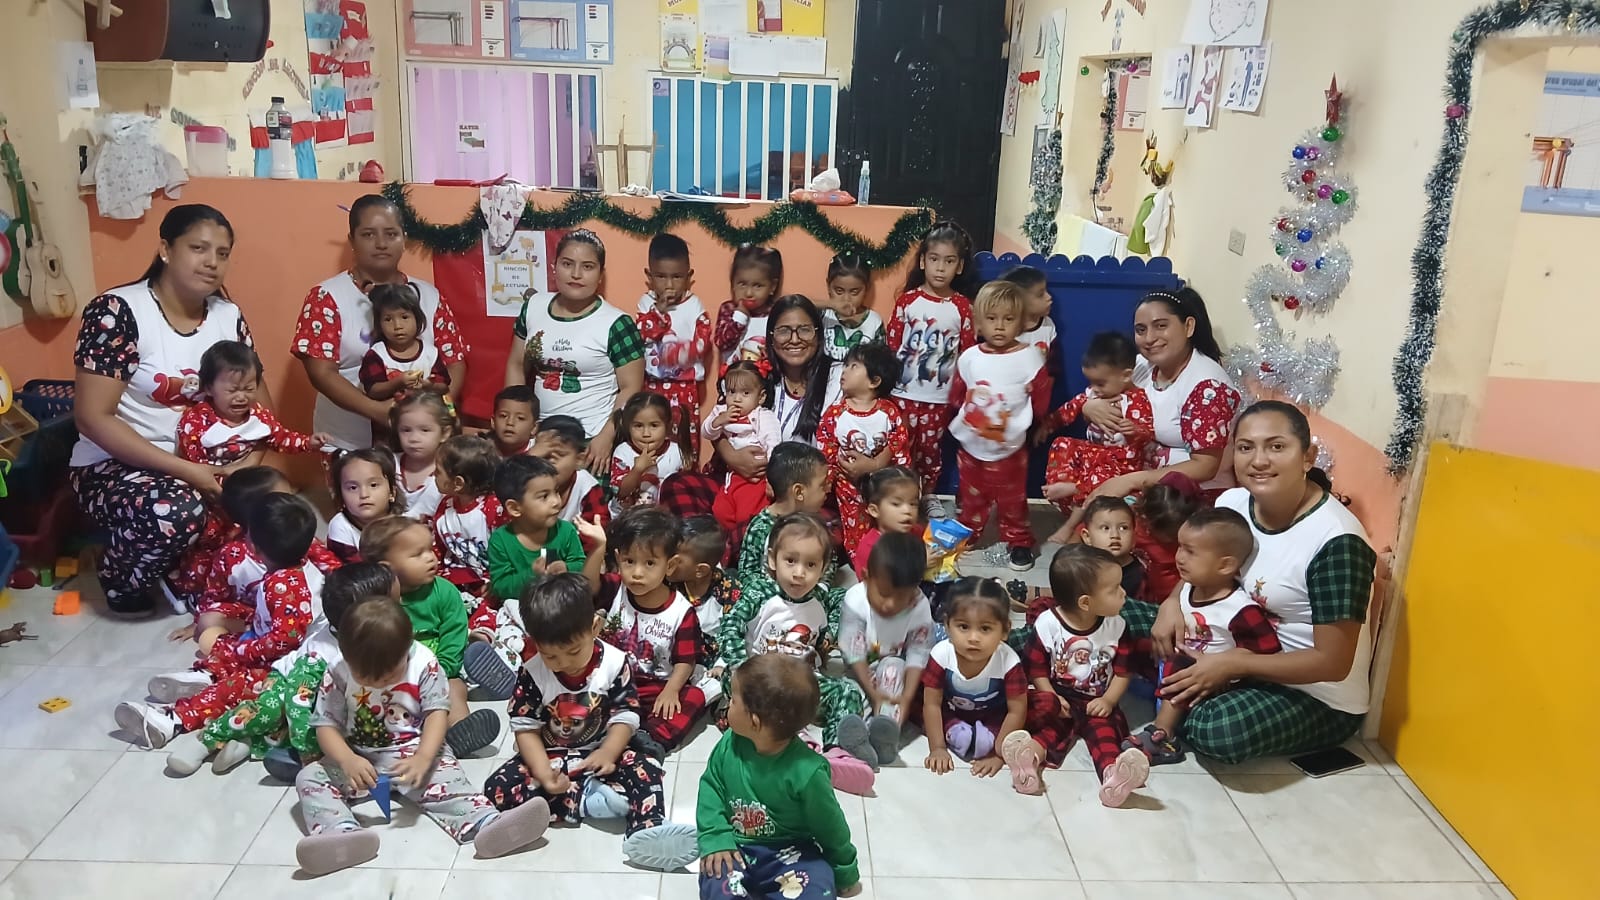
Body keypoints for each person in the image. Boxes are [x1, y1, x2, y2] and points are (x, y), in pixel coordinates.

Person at [1124, 400, 1377, 763]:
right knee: (1097, 610)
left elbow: (1332, 663)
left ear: (1307, 457)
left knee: (1217, 728)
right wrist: (1171, 604)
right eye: (1245, 448)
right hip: (1225, 643)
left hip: (1312, 694)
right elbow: (1203, 566)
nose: (1259, 460)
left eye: (1276, 447)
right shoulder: (1234, 502)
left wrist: (1233, 665)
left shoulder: (1337, 541)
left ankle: (1173, 696)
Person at [71, 204, 262, 616]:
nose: (212, 262)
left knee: (275, 506)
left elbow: (258, 406)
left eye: (223, 253)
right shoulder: (117, 311)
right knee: (178, 511)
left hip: (206, 461)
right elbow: (92, 417)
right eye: (198, 248)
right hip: (117, 465)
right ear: (165, 249)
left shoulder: (228, 316)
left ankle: (184, 567)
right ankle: (121, 580)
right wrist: (190, 472)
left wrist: (247, 464)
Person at [291, 599, 550, 876]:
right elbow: (325, 725)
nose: (377, 683)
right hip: (359, 760)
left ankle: (486, 823)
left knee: (449, 781)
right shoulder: (337, 669)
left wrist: (424, 756)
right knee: (310, 777)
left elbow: (437, 714)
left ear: (407, 648)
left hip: (416, 751)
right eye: (365, 676)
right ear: (345, 654)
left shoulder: (424, 663)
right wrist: (346, 759)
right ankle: (340, 833)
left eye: (388, 675)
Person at [482, 572, 700, 871]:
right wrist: (543, 771)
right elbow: (525, 727)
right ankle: (586, 800)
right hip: (552, 755)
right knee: (496, 787)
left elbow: (626, 715)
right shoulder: (532, 672)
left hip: (602, 750)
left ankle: (646, 829)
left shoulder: (615, 662)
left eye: (573, 651)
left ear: (595, 627)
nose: (564, 663)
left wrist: (609, 751)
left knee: (648, 767)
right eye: (551, 656)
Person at [116, 495, 327, 747]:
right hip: (271, 651)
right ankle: (205, 676)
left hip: (285, 667)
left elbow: (285, 641)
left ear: (254, 547)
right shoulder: (297, 571)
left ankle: (174, 720)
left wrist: (246, 650)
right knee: (226, 648)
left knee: (232, 687)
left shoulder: (283, 587)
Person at [166, 562, 395, 777]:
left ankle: (252, 743)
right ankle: (208, 738)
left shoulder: (373, 633)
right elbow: (298, 705)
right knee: (270, 710)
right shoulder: (322, 656)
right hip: (290, 686)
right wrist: (310, 755)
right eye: (394, 605)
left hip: (329, 697)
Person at [294, 194, 467, 451]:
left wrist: (434, 413)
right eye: (368, 235)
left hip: (420, 445)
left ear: (404, 239)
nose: (381, 243)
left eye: (391, 234)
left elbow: (455, 361)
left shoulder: (429, 296)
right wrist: (377, 410)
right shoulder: (326, 297)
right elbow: (321, 373)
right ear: (352, 240)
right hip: (347, 442)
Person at [719, 513, 874, 790]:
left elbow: (829, 625)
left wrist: (829, 641)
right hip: (759, 680)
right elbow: (730, 625)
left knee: (847, 690)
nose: (799, 573)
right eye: (790, 561)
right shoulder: (760, 592)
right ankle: (795, 746)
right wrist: (738, 666)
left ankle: (838, 753)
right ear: (772, 559)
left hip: (802, 683)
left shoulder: (820, 599)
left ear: (823, 568)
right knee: (748, 700)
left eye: (810, 565)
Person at [696, 654, 864, 900]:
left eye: (733, 700)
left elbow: (830, 825)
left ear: (754, 721)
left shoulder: (807, 770)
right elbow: (711, 787)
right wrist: (715, 837)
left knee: (819, 887)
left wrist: (844, 869)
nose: (728, 704)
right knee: (716, 880)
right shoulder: (728, 744)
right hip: (734, 845)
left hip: (791, 851)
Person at [1003, 544, 1151, 808]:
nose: (1124, 593)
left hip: (1096, 701)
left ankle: (1114, 776)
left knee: (1105, 735)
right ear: (1085, 602)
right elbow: (1036, 668)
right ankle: (1027, 760)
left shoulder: (1116, 626)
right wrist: (1050, 695)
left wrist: (1108, 700)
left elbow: (1123, 671)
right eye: (1114, 589)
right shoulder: (1048, 624)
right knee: (1048, 730)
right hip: (1058, 697)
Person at [1129, 507, 1279, 765]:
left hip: (1209, 682)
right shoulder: (1189, 587)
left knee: (1181, 663)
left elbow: (1266, 650)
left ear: (1225, 565)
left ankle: (1163, 734)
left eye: (1190, 551)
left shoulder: (1239, 609)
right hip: (1174, 665)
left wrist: (1225, 664)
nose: (1179, 557)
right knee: (1136, 643)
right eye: (1180, 547)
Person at [358, 516, 501, 756]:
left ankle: (459, 730)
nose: (431, 558)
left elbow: (453, 636)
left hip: (441, 671)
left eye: (430, 549)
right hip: (393, 676)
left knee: (454, 690)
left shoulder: (444, 591)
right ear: (387, 568)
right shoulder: (378, 602)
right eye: (418, 554)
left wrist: (441, 671)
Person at [504, 229, 644, 475]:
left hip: (591, 441)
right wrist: (518, 422)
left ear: (600, 275)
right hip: (539, 437)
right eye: (567, 264)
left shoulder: (617, 323)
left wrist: (606, 437)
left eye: (587, 267)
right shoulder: (533, 307)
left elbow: (631, 388)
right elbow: (516, 364)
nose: (576, 274)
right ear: (554, 266)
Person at [1080, 288, 1240, 501]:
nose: (1149, 338)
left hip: (1188, 496)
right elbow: (1096, 393)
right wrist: (1088, 407)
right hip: (1137, 478)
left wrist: (1130, 481)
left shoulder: (1208, 387)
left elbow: (1205, 466)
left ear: (1188, 327)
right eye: (1141, 330)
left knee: (1105, 513)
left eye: (1161, 326)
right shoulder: (1140, 365)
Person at [466, 455, 600, 700]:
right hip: (521, 607)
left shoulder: (566, 531)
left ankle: (558, 665)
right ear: (515, 508)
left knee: (570, 630)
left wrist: (567, 568)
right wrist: (532, 575)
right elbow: (500, 585)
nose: (556, 501)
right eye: (544, 496)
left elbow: (581, 566)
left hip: (561, 605)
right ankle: (510, 669)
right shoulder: (501, 540)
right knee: (508, 630)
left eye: (556, 492)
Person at [948, 280, 1050, 571]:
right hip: (972, 445)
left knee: (1012, 500)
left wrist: (1035, 418)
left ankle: (1018, 540)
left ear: (1021, 322)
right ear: (979, 322)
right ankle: (968, 530)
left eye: (1008, 319)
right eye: (991, 319)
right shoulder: (970, 358)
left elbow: (1041, 395)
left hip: (1010, 448)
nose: (1000, 326)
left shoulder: (1030, 357)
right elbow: (957, 393)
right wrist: (970, 410)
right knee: (971, 495)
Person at [599, 507, 706, 758]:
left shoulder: (681, 611)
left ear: (670, 566)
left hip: (655, 689)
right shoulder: (615, 589)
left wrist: (671, 690)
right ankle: (604, 731)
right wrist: (597, 547)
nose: (637, 573)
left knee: (694, 697)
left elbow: (685, 661)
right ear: (618, 559)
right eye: (629, 561)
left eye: (649, 563)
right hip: (612, 682)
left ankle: (649, 737)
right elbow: (588, 585)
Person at [887, 221, 975, 517]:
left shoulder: (962, 307)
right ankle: (898, 497)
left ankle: (926, 496)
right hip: (902, 394)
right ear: (923, 261)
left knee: (930, 452)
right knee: (900, 448)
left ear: (959, 266)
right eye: (934, 259)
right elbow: (892, 344)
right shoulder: (908, 301)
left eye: (949, 261)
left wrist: (963, 396)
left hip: (939, 399)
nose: (940, 268)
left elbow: (968, 355)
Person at [1040, 331, 1155, 542]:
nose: (1094, 389)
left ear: (1125, 376)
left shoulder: (1137, 399)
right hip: (1094, 453)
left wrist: (1135, 430)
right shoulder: (1093, 394)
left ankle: (1071, 518)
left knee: (1100, 474)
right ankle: (1071, 487)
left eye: (1100, 383)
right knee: (1062, 443)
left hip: (1121, 461)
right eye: (1091, 382)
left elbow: (1149, 432)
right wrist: (1047, 425)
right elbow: (1070, 408)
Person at [836, 533, 934, 768]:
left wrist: (906, 697)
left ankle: (886, 737)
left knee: (893, 669)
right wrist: (872, 692)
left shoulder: (919, 605)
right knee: (850, 694)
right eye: (883, 594)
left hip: (891, 663)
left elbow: (918, 653)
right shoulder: (855, 599)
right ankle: (858, 741)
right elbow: (854, 651)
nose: (890, 604)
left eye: (902, 598)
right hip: (859, 668)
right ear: (866, 578)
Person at [166, 466, 292, 643]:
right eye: (285, 501)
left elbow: (325, 561)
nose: (294, 506)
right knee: (209, 622)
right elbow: (214, 594)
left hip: (296, 602)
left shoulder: (295, 532)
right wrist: (197, 624)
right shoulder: (230, 555)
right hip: (256, 614)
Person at [921, 577, 1027, 775]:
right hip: (951, 711)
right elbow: (932, 704)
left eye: (985, 629)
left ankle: (983, 737)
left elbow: (1016, 711)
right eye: (963, 627)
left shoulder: (1009, 662)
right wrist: (937, 748)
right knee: (915, 697)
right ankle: (957, 730)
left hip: (994, 715)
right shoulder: (941, 654)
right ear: (947, 626)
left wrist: (998, 755)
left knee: (1044, 706)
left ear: (1005, 631)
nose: (973, 638)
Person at [177, 340, 330, 467]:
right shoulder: (196, 420)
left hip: (246, 478)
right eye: (232, 390)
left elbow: (281, 438)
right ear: (209, 388)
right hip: (207, 478)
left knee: (274, 482)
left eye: (249, 389)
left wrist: (307, 442)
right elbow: (191, 459)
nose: (241, 397)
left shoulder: (259, 415)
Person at [818, 341, 909, 551]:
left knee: (888, 525)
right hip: (848, 487)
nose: (845, 370)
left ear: (874, 381)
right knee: (855, 533)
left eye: (854, 366)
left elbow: (899, 443)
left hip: (884, 485)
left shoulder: (889, 412)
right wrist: (832, 477)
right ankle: (861, 561)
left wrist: (879, 465)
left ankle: (888, 557)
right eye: (846, 365)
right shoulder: (835, 413)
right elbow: (826, 446)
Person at [636, 232, 711, 455]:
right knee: (652, 435)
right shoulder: (646, 303)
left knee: (685, 438)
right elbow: (641, 333)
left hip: (684, 386)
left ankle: (685, 473)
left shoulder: (694, 305)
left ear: (689, 276)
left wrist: (678, 354)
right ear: (649, 275)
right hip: (652, 383)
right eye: (661, 276)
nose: (669, 285)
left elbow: (703, 342)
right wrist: (659, 311)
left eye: (677, 277)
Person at [431, 434, 506, 624]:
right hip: (455, 579)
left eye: (438, 471)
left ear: (458, 483)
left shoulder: (494, 509)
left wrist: (498, 581)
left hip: (490, 583)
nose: (432, 474)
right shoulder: (445, 506)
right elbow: (439, 549)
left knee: (485, 615)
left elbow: (510, 551)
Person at [733, 443, 830, 589]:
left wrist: (820, 588)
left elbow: (829, 564)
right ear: (799, 492)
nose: (829, 489)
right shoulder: (761, 528)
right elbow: (748, 574)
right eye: (823, 485)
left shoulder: (816, 524)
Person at [703, 359, 781, 534]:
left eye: (745, 393)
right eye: (732, 392)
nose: (737, 399)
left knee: (746, 514)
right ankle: (729, 542)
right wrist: (719, 421)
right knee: (720, 511)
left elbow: (773, 443)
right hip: (732, 475)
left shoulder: (762, 416)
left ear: (761, 397)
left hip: (757, 478)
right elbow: (706, 432)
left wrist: (772, 476)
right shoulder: (722, 411)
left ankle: (744, 541)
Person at [760, 295, 844, 447]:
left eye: (804, 330)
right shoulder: (759, 376)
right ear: (771, 337)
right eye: (784, 331)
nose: (794, 339)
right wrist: (732, 454)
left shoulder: (841, 378)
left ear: (818, 334)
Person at [668, 515, 736, 691]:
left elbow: (734, 633)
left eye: (676, 559)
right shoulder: (668, 584)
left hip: (712, 665)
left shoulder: (729, 591)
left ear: (700, 571)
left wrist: (721, 665)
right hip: (674, 660)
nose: (668, 561)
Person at [358, 282, 452, 402]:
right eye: (388, 319)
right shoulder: (376, 354)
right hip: (388, 413)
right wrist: (398, 382)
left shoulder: (430, 353)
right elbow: (373, 391)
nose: (398, 326)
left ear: (417, 319)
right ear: (379, 324)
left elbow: (444, 386)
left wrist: (429, 386)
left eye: (404, 317)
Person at [610, 391, 687, 516]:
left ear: (667, 426)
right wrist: (637, 470)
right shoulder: (623, 452)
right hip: (627, 520)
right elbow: (620, 492)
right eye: (638, 426)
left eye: (654, 425)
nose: (646, 434)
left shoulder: (677, 453)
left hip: (665, 519)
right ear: (628, 427)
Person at [532, 415, 609, 537]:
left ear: (579, 460)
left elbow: (597, 532)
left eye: (556, 456)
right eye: (542, 456)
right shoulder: (526, 479)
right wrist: (528, 460)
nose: (547, 464)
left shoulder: (587, 487)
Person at [326, 448, 406, 563]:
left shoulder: (405, 523)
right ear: (341, 496)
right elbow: (351, 571)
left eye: (373, 485)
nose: (364, 494)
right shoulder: (341, 526)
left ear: (392, 492)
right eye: (353, 488)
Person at [1133, 473, 1201, 604]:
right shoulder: (1133, 526)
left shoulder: (1197, 539)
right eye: (1164, 533)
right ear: (1146, 518)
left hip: (1176, 601)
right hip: (1138, 598)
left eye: (1175, 535)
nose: (1170, 540)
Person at [713, 244, 784, 363]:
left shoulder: (776, 314)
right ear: (733, 283)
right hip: (732, 374)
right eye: (742, 284)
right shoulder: (728, 309)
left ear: (772, 286)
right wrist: (739, 318)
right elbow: (721, 343)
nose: (748, 293)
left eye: (758, 286)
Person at [389, 390, 453, 522]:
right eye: (406, 430)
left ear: (445, 433)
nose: (414, 438)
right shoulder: (387, 464)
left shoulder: (450, 473)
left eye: (425, 430)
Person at [851, 466, 921, 582]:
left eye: (913, 504)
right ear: (874, 510)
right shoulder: (871, 549)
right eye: (896, 504)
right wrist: (921, 565)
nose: (907, 510)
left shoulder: (917, 532)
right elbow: (877, 586)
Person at [1078, 495, 1147, 601]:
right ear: (1087, 537)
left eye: (1123, 528)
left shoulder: (1140, 575)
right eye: (1105, 528)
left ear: (1134, 536)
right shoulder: (1081, 567)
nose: (1115, 535)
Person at [820, 252, 883, 360]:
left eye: (854, 292)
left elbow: (880, 361)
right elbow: (797, 304)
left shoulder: (874, 321)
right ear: (828, 286)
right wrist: (830, 304)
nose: (846, 299)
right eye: (839, 291)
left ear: (867, 288)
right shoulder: (824, 315)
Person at [1002, 265, 1056, 359]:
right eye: (1040, 294)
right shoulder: (1003, 328)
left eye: (1046, 291)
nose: (1049, 297)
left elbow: (1053, 362)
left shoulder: (1048, 324)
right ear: (1018, 301)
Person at [489, 385, 539, 458]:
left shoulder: (542, 454)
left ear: (534, 427)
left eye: (520, 418)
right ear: (493, 421)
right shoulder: (482, 451)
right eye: (503, 416)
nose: (510, 422)